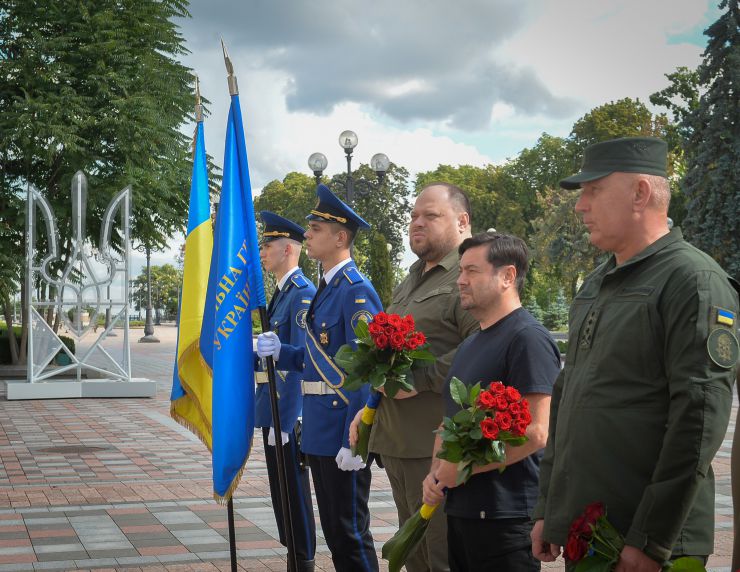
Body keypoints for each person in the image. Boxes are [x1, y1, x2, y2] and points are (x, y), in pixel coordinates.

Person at [530, 137, 740, 570]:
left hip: (646, 546)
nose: (580, 205)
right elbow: (568, 399)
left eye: (593, 190)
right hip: (588, 532)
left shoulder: (692, 280)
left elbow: (697, 421)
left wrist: (650, 540)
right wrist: (549, 509)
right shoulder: (596, 282)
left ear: (640, 193)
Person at [350, 182, 478, 572]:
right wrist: (370, 408)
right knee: (415, 559)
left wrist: (420, 381)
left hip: (436, 446)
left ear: (462, 221)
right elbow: (388, 358)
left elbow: (482, 346)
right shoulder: (415, 276)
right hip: (398, 443)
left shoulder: (469, 271)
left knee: (440, 558)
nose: (416, 223)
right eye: (413, 216)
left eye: (430, 216)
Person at [257, 184, 382, 572]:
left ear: (340, 237)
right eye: (309, 227)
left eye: (316, 228)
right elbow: (315, 360)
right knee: (335, 533)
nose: (307, 234)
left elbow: (366, 367)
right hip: (319, 429)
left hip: (341, 429)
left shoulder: (356, 292)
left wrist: (357, 436)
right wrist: (282, 351)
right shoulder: (329, 287)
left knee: (350, 533)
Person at [421, 231, 560, 571]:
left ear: (507, 276)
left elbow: (536, 431)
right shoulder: (472, 343)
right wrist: (434, 472)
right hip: (464, 512)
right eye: (460, 272)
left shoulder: (527, 338)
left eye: (472, 271)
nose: (461, 281)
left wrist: (463, 469)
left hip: (504, 518)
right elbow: (450, 421)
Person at [255, 211, 316, 572]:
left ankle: (303, 560)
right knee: (281, 495)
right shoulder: (281, 294)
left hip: (286, 414)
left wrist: (289, 416)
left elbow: (300, 362)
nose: (263, 252)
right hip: (272, 411)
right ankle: (294, 555)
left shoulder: (302, 294)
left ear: (289, 249)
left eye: (268, 246)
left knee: (293, 493)